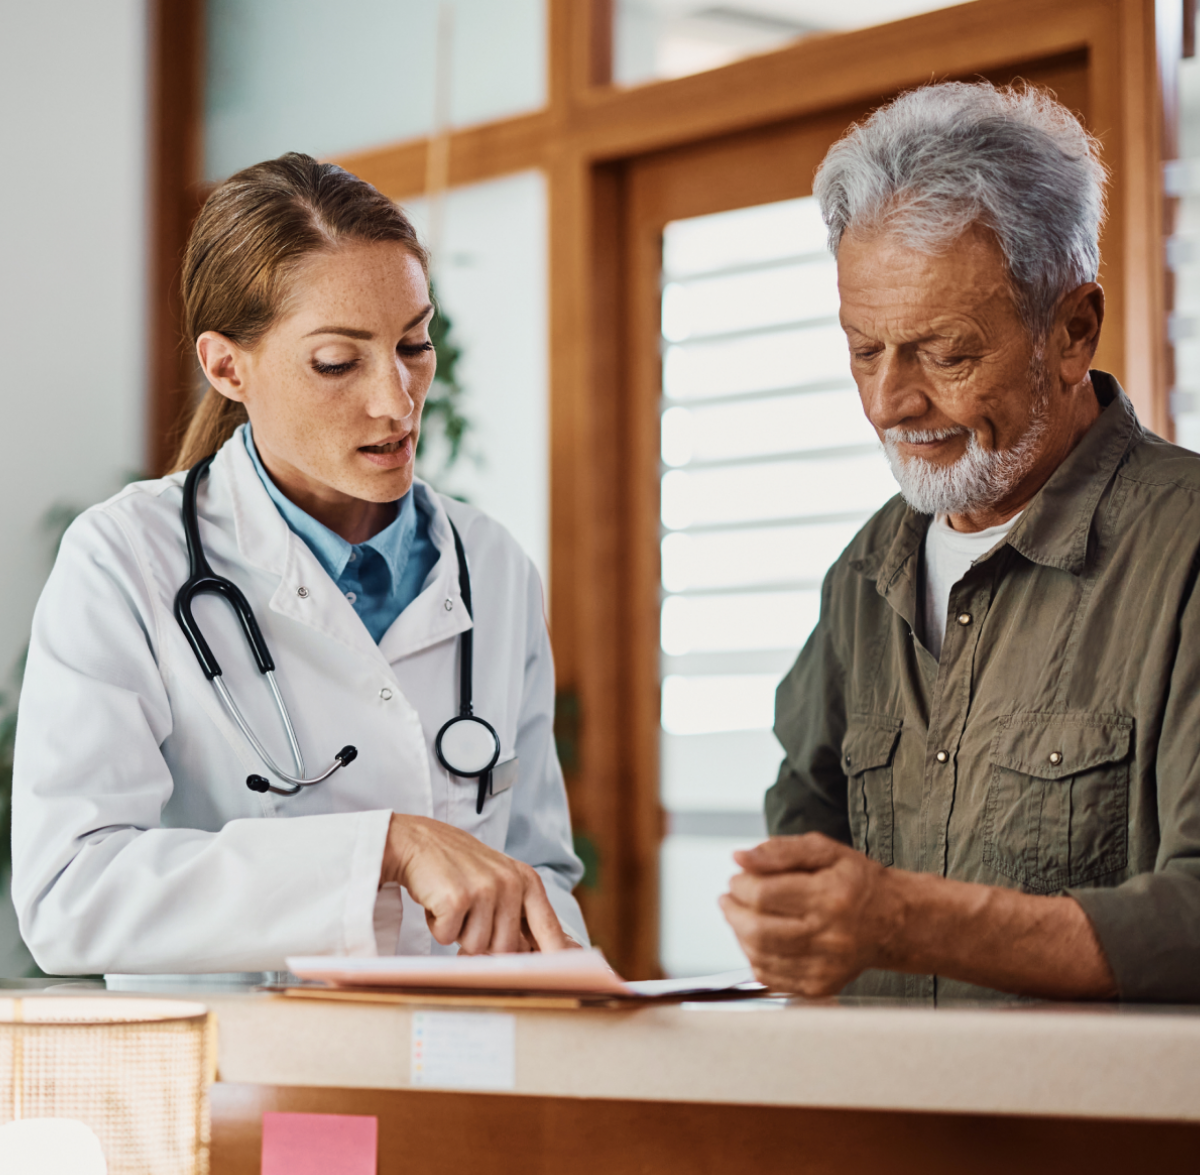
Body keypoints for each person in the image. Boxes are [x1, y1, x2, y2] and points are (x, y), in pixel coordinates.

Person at [12, 153, 585, 975]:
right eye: (337, 363)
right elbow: (72, 894)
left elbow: (540, 869)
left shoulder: (489, 564)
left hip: (457, 1070)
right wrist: (381, 848)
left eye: (414, 344)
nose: (396, 400)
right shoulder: (126, 560)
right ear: (226, 367)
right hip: (243, 1075)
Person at [720, 82, 1200, 1003]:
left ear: (1072, 331)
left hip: (1098, 1143)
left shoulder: (1186, 551)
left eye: (945, 353)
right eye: (865, 350)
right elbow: (803, 840)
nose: (889, 405)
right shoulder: (862, 576)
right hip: (884, 1136)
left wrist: (906, 921)